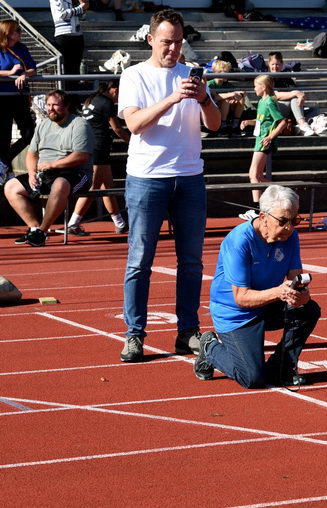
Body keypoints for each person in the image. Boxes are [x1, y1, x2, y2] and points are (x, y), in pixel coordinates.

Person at [118, 9, 221, 363]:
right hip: (147, 177)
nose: (173, 49)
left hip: (190, 176)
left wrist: (203, 97)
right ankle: (134, 335)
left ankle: (187, 332)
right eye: (166, 42)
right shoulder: (134, 75)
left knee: (191, 261)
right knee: (139, 262)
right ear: (150, 40)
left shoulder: (192, 76)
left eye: (178, 42)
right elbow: (134, 124)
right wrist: (173, 98)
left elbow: (215, 124)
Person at [194, 185, 321, 388]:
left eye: (294, 220)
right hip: (235, 313)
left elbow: (296, 279)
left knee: (309, 310)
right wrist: (280, 292)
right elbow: (241, 298)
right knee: (252, 378)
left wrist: (302, 295)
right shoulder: (239, 241)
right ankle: (210, 347)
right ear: (263, 217)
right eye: (283, 221)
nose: (289, 227)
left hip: (267, 303)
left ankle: (282, 368)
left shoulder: (290, 237)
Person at [5, 89, 92, 248]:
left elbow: (81, 156)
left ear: (66, 106)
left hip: (75, 174)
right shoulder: (43, 124)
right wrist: (31, 173)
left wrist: (53, 165)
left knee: (60, 184)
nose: (50, 108)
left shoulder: (79, 124)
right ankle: (34, 229)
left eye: (55, 105)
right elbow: (32, 153)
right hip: (46, 173)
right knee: (11, 187)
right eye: (48, 105)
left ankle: (42, 232)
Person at [68, 81, 129, 235]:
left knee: (107, 187)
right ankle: (73, 222)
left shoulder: (92, 99)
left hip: (92, 145)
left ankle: (119, 222)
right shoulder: (106, 102)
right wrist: (134, 142)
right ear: (114, 90)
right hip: (99, 147)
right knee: (94, 187)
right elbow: (117, 128)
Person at [0, 20, 36, 183]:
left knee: (30, 133)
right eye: (17, 30)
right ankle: (6, 168)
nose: (20, 33)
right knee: (4, 136)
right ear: (7, 33)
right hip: (3, 97)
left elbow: (32, 68)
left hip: (20, 95)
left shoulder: (22, 48)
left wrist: (24, 75)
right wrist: (10, 73)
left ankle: (4, 162)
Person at [248, 75, 289, 209]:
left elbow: (282, 122)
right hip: (259, 138)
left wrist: (270, 137)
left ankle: (256, 207)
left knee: (253, 174)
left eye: (255, 85)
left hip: (264, 140)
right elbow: (262, 121)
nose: (254, 88)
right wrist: (249, 122)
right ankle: (284, 193)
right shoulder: (261, 102)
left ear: (263, 87)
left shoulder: (270, 102)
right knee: (258, 176)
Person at [267, 52, 319, 136]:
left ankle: (297, 126)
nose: (275, 67)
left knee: (316, 110)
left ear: (282, 64)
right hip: (276, 109)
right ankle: (302, 124)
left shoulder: (286, 77)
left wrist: (301, 95)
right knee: (294, 99)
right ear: (269, 64)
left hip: (290, 109)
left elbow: (297, 93)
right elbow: (275, 96)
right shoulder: (267, 78)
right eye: (272, 64)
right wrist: (295, 93)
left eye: (277, 64)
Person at [49, 0, 87, 95]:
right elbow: (61, 15)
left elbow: (80, 16)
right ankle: (67, 101)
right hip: (63, 35)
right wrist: (81, 7)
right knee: (66, 70)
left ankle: (74, 101)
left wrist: (84, 5)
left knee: (75, 70)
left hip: (77, 35)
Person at [207, 60, 247, 137]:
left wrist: (239, 95)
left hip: (226, 108)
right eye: (224, 72)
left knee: (240, 99)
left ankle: (235, 125)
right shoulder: (210, 84)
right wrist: (231, 94)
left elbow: (242, 91)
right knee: (225, 100)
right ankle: (222, 126)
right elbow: (216, 97)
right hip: (213, 109)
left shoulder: (226, 84)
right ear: (217, 72)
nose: (227, 74)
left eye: (227, 72)